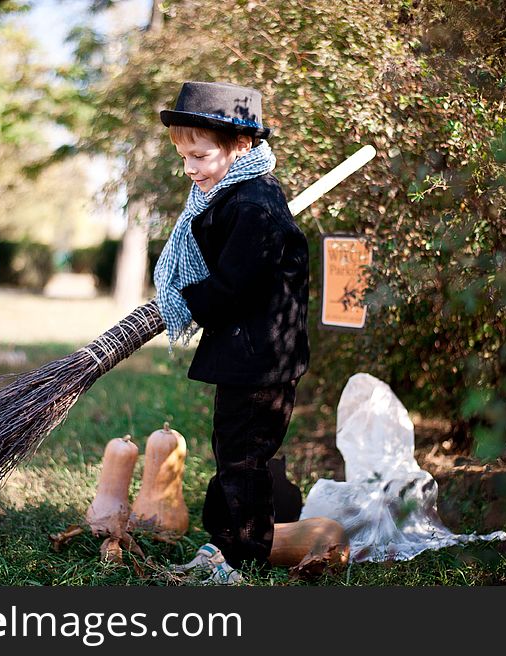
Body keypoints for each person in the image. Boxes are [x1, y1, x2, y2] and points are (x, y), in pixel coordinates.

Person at [153, 81, 310, 584]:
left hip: (261, 358)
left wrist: (180, 302)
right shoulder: (233, 195)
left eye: (199, 156)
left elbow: (233, 286)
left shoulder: (255, 205)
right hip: (244, 354)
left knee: (244, 459)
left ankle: (244, 559)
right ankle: (222, 549)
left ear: (239, 145)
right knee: (232, 452)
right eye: (184, 157)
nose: (190, 169)